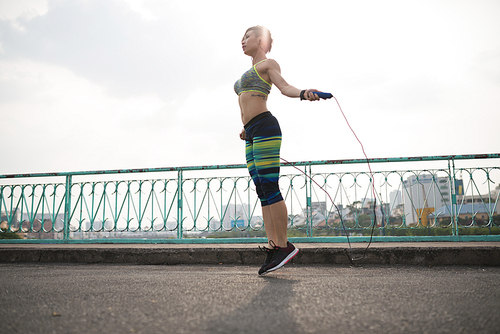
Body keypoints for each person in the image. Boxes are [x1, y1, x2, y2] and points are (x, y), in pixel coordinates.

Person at [234, 25, 324, 275]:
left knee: (270, 185)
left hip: (265, 126)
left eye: (247, 36)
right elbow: (245, 103)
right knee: (261, 187)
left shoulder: (268, 64)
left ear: (260, 40)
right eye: (241, 37)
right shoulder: (245, 73)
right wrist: (244, 128)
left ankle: (284, 245)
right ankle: (274, 247)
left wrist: (305, 93)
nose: (242, 40)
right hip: (251, 132)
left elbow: (285, 87)